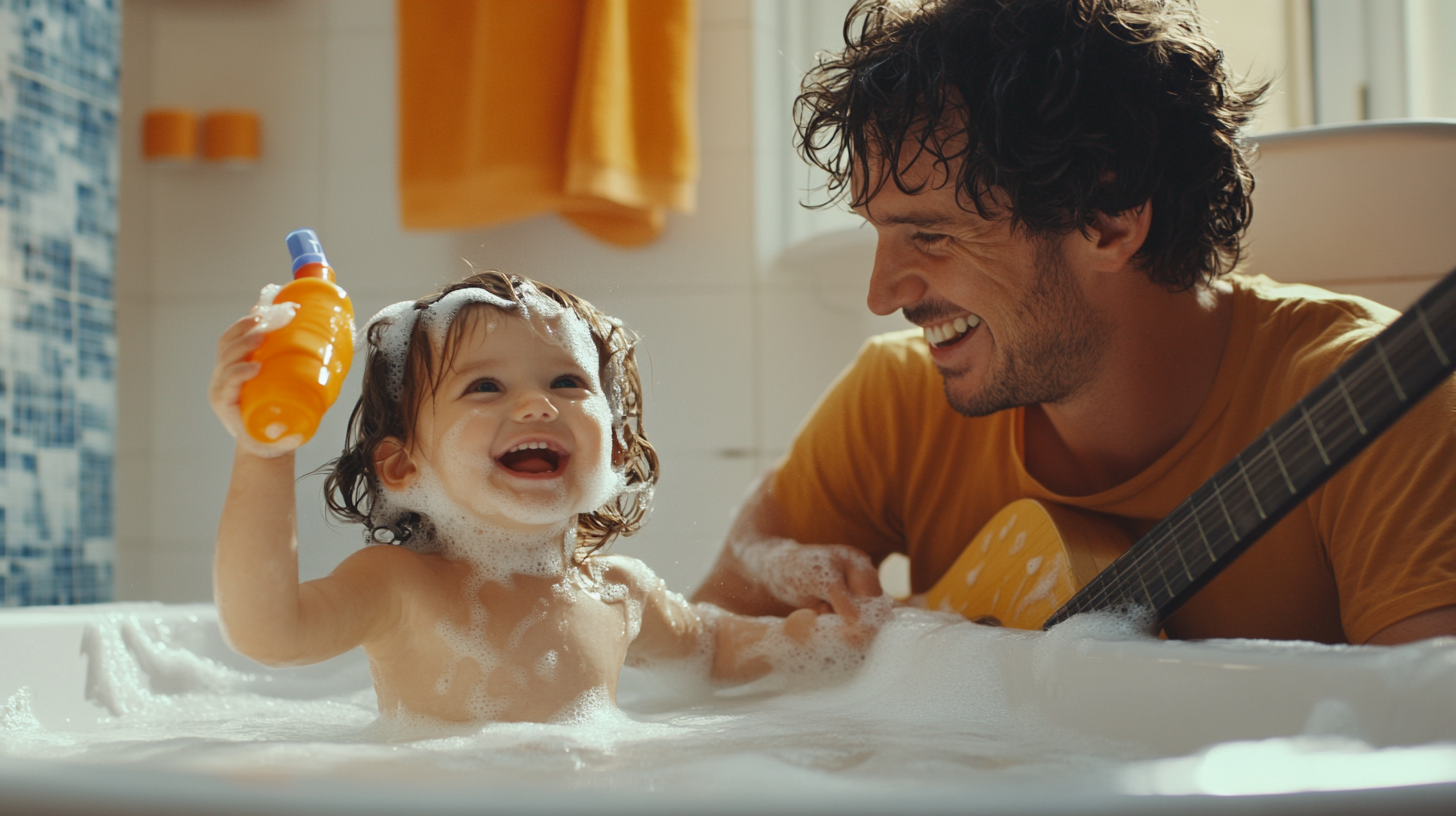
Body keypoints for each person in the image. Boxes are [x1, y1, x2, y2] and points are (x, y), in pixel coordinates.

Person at [692, 0, 1456, 645]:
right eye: (879, 233)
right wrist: (774, 564)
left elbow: (1421, 757)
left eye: (931, 235)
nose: (882, 295)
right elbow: (698, 640)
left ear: (1108, 222)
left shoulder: (1383, 407)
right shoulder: (897, 396)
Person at [209, 270, 876, 725]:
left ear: (615, 450)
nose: (535, 403)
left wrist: (833, 638)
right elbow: (270, 630)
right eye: (485, 388)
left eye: (566, 382)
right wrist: (264, 452)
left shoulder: (619, 593)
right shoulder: (401, 587)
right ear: (405, 467)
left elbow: (719, 648)